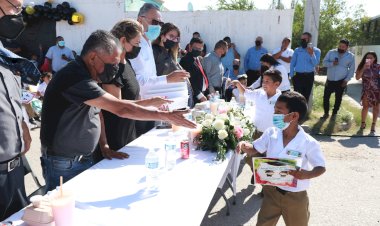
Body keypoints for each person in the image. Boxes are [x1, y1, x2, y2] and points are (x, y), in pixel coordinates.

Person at [40, 30, 196, 192]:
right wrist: (166, 116)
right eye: (113, 64)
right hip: (64, 163)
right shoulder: (74, 76)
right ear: (93, 57)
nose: (116, 68)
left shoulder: (88, 73)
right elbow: (120, 108)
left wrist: (104, 145)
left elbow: (97, 111)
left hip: (82, 157)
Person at [236, 91, 326, 226]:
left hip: (295, 196)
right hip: (271, 193)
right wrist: (244, 145)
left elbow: (321, 167)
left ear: (294, 116)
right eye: (274, 110)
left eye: (279, 111)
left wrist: (307, 174)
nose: (274, 114)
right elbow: (254, 148)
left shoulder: (309, 142)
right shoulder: (271, 133)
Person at [95, 19, 172, 161]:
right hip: (114, 140)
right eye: (136, 43)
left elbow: (131, 99)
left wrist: (152, 103)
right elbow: (118, 107)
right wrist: (157, 112)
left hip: (128, 134)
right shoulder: (111, 66)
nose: (139, 48)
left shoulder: (126, 62)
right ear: (123, 41)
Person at [0, 0, 38, 220]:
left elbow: (10, 98)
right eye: (15, 6)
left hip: (14, 168)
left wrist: (23, 125)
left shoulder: (4, 54)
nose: (17, 15)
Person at [131, 3, 190, 136]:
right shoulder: (136, 45)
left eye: (160, 23)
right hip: (139, 108)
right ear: (140, 20)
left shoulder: (147, 44)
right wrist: (167, 79)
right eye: (155, 22)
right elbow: (137, 82)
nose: (158, 26)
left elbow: (151, 78)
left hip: (152, 107)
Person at [232, 69, 282, 183]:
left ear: (277, 84)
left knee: (269, 161)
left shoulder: (281, 99)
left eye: (267, 81)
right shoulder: (259, 93)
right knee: (250, 158)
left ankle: (265, 186)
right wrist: (238, 84)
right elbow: (246, 93)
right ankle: (257, 172)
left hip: (273, 136)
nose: (264, 84)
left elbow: (283, 120)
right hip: (257, 133)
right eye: (263, 81)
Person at [152, 22, 194, 107]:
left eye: (176, 38)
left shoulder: (170, 53)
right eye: (171, 36)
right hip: (166, 101)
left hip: (178, 100)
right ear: (162, 36)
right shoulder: (154, 51)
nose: (174, 40)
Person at [321, 39, 355, 119]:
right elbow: (324, 63)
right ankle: (326, 113)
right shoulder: (331, 52)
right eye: (339, 46)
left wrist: (346, 80)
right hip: (330, 80)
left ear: (347, 47)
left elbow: (352, 70)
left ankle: (334, 114)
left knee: (338, 98)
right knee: (326, 97)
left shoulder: (350, 56)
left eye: (343, 47)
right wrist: (332, 63)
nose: (340, 48)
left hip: (341, 81)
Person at [290, 32, 321, 102]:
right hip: (298, 76)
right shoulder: (297, 50)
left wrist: (311, 54)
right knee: (296, 96)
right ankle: (296, 112)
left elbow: (316, 64)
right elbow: (292, 63)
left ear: (309, 39)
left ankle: (303, 112)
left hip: (309, 76)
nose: (302, 40)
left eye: (304, 39)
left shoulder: (317, 51)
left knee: (305, 97)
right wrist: (292, 76)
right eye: (301, 39)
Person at [355, 51, 380, 134]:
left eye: (371, 58)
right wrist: (364, 68)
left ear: (375, 59)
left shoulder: (378, 67)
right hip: (366, 90)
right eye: (367, 57)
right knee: (365, 107)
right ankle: (363, 123)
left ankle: (373, 125)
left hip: (377, 91)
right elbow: (357, 78)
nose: (369, 59)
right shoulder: (361, 66)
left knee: (376, 108)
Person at [180, 37, 208, 105]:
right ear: (190, 46)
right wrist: (200, 96)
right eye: (195, 48)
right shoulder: (186, 60)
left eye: (200, 49)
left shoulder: (199, 59)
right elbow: (189, 81)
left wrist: (207, 93)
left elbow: (203, 76)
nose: (197, 50)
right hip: (194, 97)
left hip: (202, 94)